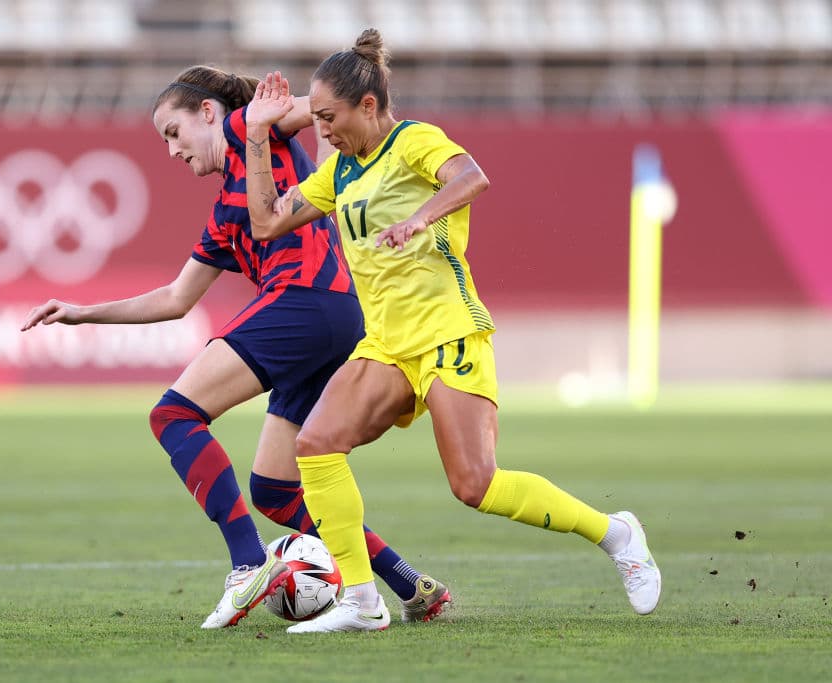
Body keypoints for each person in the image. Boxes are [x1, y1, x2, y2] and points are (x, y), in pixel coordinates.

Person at [243, 29, 662, 633]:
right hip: (385, 344)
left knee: (474, 484)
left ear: (367, 106)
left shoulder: (413, 140)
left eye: (329, 118)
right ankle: (362, 601)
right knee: (315, 445)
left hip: (447, 333)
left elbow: (472, 177)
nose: (322, 131)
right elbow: (265, 223)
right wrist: (259, 136)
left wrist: (418, 218)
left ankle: (615, 532)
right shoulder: (338, 172)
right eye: (316, 120)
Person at [20, 65, 451, 630]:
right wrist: (82, 312)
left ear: (207, 113)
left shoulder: (247, 127)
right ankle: (409, 584)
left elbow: (318, 108)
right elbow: (176, 298)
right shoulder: (228, 209)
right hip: (337, 315)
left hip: (304, 300)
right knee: (275, 489)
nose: (171, 151)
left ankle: (248, 564)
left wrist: (311, 106)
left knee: (174, 414)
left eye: (173, 133)